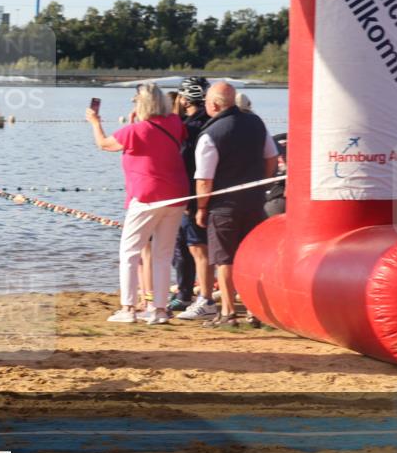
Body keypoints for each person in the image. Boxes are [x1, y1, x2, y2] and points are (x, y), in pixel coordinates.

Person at [86, 83, 188, 325]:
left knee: (129, 251)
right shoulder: (175, 122)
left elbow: (104, 144)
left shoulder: (134, 131)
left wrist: (94, 122)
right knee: (163, 254)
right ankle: (159, 310)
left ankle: (128, 308)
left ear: (141, 105)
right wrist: (136, 121)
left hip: (147, 196)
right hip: (176, 194)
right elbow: (163, 138)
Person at [194, 82, 278, 327]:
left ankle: (228, 312)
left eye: (206, 101)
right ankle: (254, 311)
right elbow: (271, 157)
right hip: (255, 201)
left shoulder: (211, 134)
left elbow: (204, 179)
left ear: (214, 104)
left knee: (225, 259)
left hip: (223, 205)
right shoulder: (256, 123)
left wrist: (201, 208)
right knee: (249, 256)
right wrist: (261, 183)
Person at [172, 77, 219, 320]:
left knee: (192, 246)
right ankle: (188, 294)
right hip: (208, 190)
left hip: (192, 193)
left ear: (185, 98)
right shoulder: (212, 121)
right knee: (190, 246)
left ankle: (194, 296)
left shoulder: (189, 127)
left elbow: (182, 159)